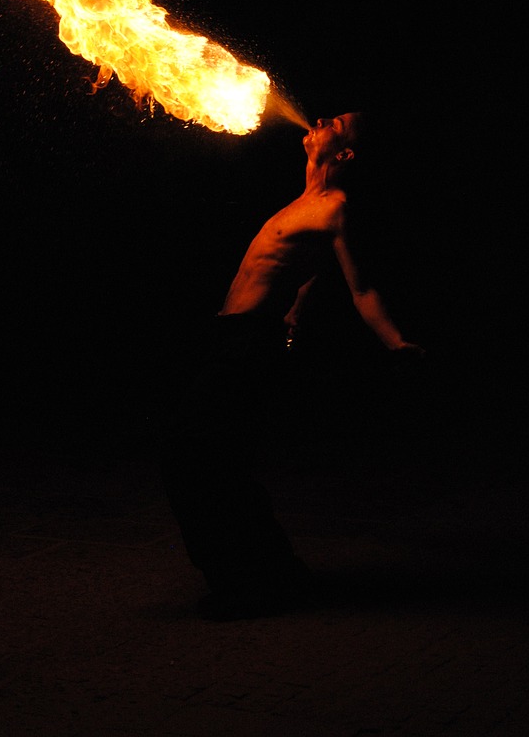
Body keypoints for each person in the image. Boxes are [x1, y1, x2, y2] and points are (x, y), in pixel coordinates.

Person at [158, 111, 423, 620]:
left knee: (195, 459)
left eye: (338, 125)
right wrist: (295, 318)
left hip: (245, 342)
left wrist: (395, 343)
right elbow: (308, 274)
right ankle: (273, 574)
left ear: (343, 154)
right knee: (217, 463)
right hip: (234, 337)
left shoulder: (335, 207)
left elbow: (361, 287)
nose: (321, 120)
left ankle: (245, 583)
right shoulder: (304, 203)